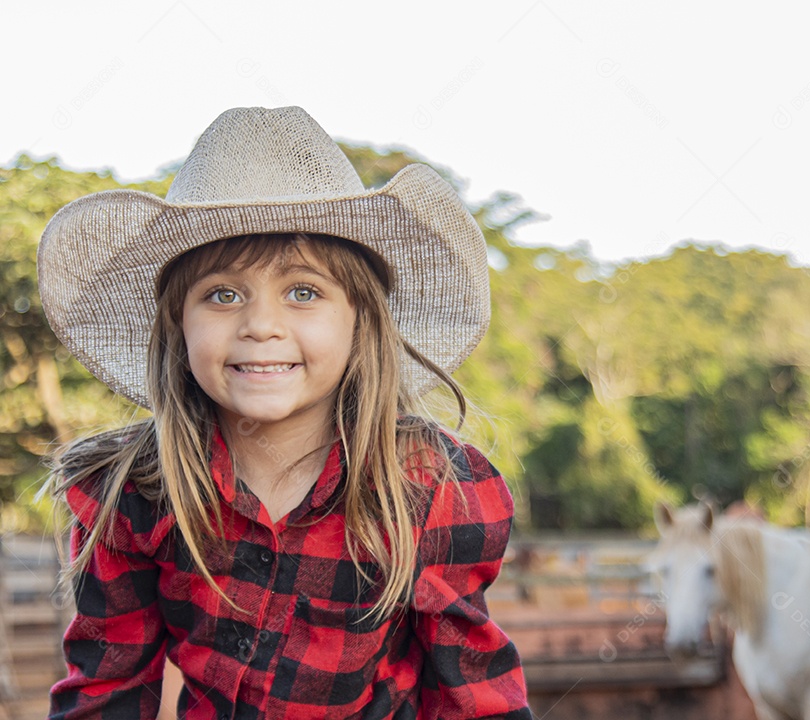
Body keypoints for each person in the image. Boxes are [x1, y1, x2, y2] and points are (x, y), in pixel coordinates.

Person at [38, 106, 532, 719]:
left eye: (303, 292)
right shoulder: (131, 490)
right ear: (178, 324)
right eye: (222, 294)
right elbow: (106, 691)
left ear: (360, 320)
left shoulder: (432, 488)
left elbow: (473, 701)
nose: (261, 326)